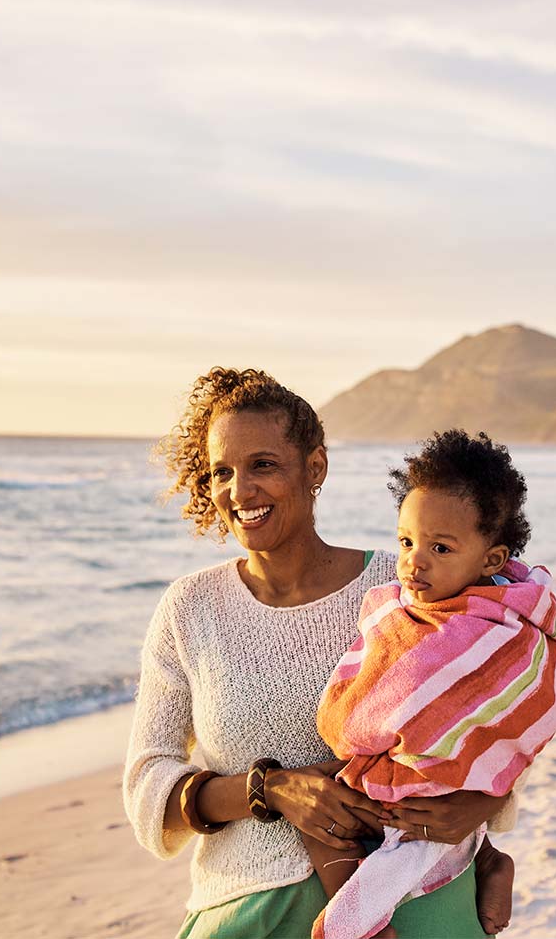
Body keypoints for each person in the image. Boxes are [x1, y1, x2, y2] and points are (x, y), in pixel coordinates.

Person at [123, 368, 516, 939]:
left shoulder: (402, 585)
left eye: (263, 465)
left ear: (315, 469)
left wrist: (483, 809)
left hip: (410, 892)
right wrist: (272, 790)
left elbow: (497, 710)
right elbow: (147, 786)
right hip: (249, 905)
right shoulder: (189, 609)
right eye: (221, 472)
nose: (240, 490)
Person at [308, 430, 556, 939]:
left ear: (492, 561)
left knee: (351, 833)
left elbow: (531, 698)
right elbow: (378, 667)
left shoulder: (499, 627)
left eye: (440, 547)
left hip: (427, 791)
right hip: (412, 785)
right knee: (318, 806)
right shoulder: (398, 607)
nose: (414, 561)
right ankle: (486, 856)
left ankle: (356, 923)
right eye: (406, 541)